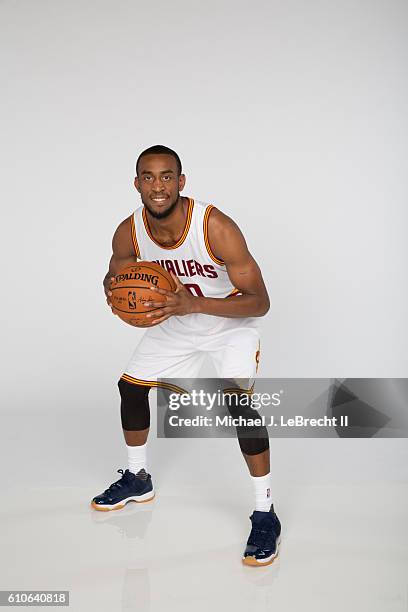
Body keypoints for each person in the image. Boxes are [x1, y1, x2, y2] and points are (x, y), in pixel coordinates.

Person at [91, 145, 281, 566]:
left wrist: (194, 305)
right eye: (148, 176)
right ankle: (139, 479)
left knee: (237, 404)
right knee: (130, 388)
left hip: (228, 322)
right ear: (137, 183)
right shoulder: (129, 231)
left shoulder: (216, 227)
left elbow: (260, 302)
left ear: (181, 181)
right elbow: (116, 271)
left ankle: (265, 511)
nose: (157, 186)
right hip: (175, 321)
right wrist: (114, 290)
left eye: (166, 176)